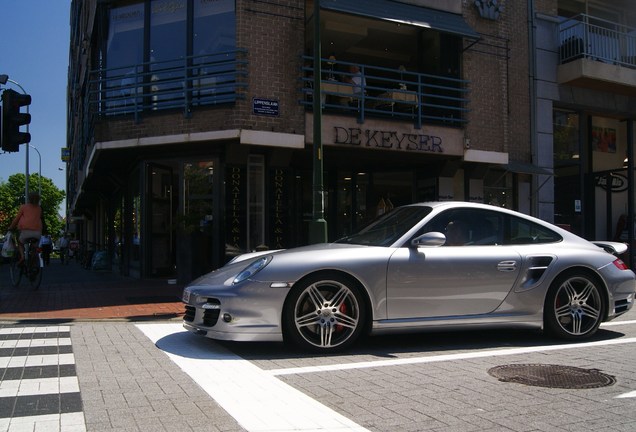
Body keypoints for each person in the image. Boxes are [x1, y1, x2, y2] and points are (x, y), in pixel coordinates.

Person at [8, 192, 43, 263]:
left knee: (20, 242)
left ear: (29, 199)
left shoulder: (23, 207)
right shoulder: (39, 208)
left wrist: (11, 227)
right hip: (37, 233)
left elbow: (16, 219)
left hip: (25, 231)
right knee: (34, 246)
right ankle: (33, 258)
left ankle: (22, 256)